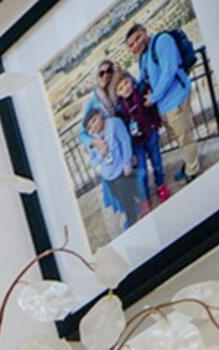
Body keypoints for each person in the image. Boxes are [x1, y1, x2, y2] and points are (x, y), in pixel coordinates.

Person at [127, 20, 201, 187]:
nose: (136, 45)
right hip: (164, 106)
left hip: (175, 100)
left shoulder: (162, 41)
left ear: (145, 31)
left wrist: (152, 99)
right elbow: (144, 78)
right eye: (131, 45)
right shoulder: (144, 57)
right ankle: (189, 163)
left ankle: (193, 171)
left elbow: (169, 71)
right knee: (179, 138)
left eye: (138, 38)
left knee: (185, 138)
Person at [105, 60, 167, 209]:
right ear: (117, 93)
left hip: (150, 134)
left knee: (157, 163)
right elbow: (121, 132)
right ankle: (145, 198)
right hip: (136, 145)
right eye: (120, 88)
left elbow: (151, 110)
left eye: (126, 83)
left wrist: (156, 123)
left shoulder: (140, 93)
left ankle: (160, 186)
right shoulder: (119, 111)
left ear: (130, 81)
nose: (125, 88)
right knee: (142, 173)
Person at [82, 95, 141, 233]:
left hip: (120, 169)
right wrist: (101, 154)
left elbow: (125, 142)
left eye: (94, 121)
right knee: (119, 197)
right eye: (90, 127)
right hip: (108, 175)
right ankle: (135, 206)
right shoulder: (94, 141)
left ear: (99, 115)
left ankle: (132, 219)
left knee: (126, 197)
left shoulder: (114, 123)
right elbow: (92, 161)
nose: (94, 126)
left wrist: (127, 164)